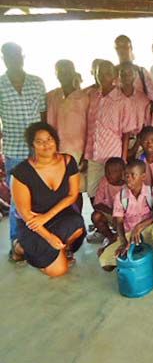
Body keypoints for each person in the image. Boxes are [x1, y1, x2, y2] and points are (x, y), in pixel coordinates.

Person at [10, 122, 86, 276]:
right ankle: (20, 247)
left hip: (55, 217)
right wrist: (49, 237)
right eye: (40, 141)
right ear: (32, 145)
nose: (46, 144)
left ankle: (60, 249)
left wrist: (47, 217)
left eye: (49, 139)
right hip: (33, 225)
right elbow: (26, 215)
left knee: (77, 225)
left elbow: (73, 195)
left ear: (55, 140)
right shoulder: (21, 172)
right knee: (59, 271)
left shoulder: (68, 161)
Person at [0, 42, 47, 255]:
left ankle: (40, 239)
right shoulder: (0, 86)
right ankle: (17, 243)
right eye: (9, 56)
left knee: (41, 197)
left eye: (17, 55)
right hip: (14, 152)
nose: (14, 59)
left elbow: (44, 116)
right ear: (4, 59)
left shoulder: (36, 83)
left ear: (23, 56)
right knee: (17, 201)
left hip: (39, 152)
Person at [98, 160, 153, 289]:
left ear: (143, 177)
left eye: (132, 175)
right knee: (106, 264)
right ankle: (139, 255)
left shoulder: (152, 192)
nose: (128, 178)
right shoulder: (120, 196)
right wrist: (123, 242)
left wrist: (140, 226)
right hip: (130, 235)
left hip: (148, 230)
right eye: (126, 175)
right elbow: (118, 222)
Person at [84, 60, 136, 204]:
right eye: (99, 72)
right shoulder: (92, 96)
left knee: (115, 192)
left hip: (112, 155)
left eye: (107, 73)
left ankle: (117, 223)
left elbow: (127, 132)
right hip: (93, 154)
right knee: (92, 191)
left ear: (114, 76)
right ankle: (102, 223)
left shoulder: (123, 101)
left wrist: (123, 158)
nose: (103, 76)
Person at [47, 59, 89, 212]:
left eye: (66, 70)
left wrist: (86, 154)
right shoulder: (52, 96)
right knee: (59, 192)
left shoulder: (84, 97)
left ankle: (77, 226)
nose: (63, 74)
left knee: (76, 191)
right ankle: (65, 228)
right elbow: (48, 126)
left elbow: (90, 127)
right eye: (60, 71)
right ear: (56, 74)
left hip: (78, 152)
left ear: (73, 72)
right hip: (56, 152)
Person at [89, 157, 125, 245]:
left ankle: (122, 238)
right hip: (111, 213)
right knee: (96, 216)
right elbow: (97, 204)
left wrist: (119, 215)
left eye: (113, 172)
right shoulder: (104, 182)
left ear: (122, 172)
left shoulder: (128, 184)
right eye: (106, 171)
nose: (108, 175)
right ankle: (111, 238)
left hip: (127, 216)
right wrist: (114, 213)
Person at [114, 35, 153, 101]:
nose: (122, 50)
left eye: (125, 47)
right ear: (115, 49)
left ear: (131, 47)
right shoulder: (111, 73)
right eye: (118, 48)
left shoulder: (142, 72)